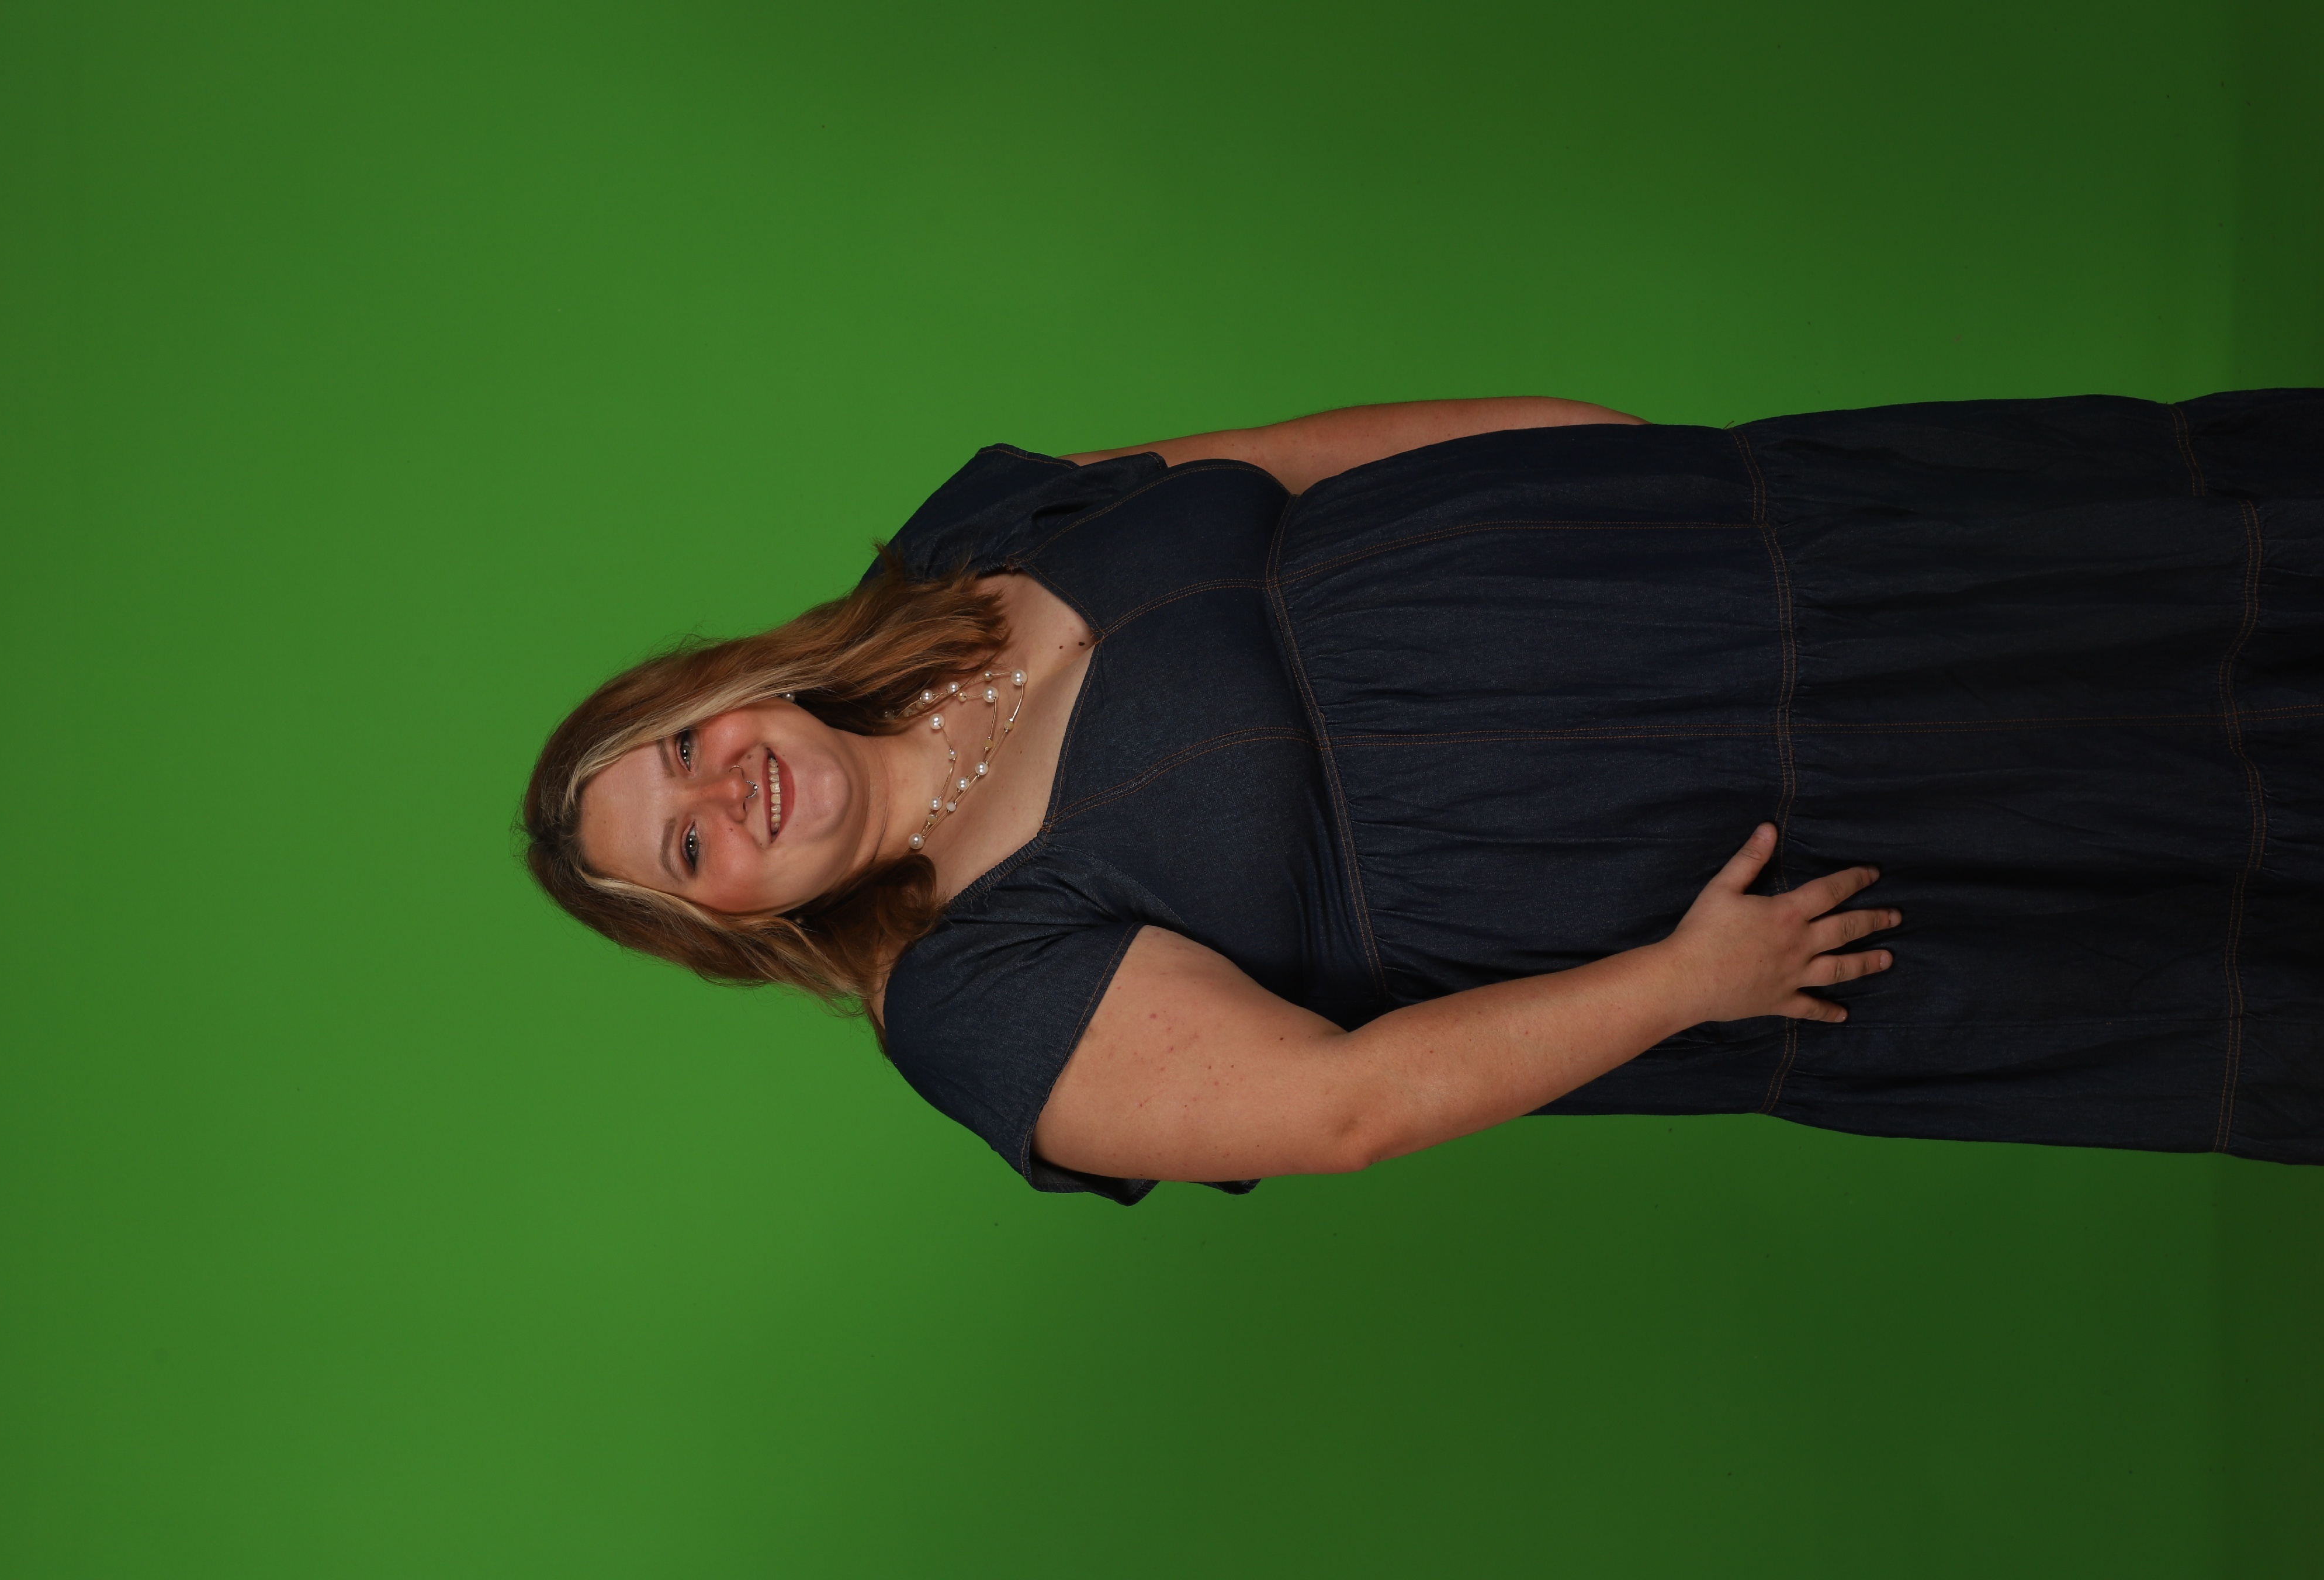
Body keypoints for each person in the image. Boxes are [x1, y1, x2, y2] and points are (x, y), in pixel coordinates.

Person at [525, 391, 2323, 1202]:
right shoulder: (964, 1002)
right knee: (2155, 838)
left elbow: (1286, 461)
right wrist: (1688, 984)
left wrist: (1588, 447)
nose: (727, 792)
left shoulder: (964, 533)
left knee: (2169, 573)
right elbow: (1341, 1108)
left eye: (682, 744)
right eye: (688, 850)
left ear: (722, 687)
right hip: (1704, 843)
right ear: (730, 925)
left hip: (1760, 560)